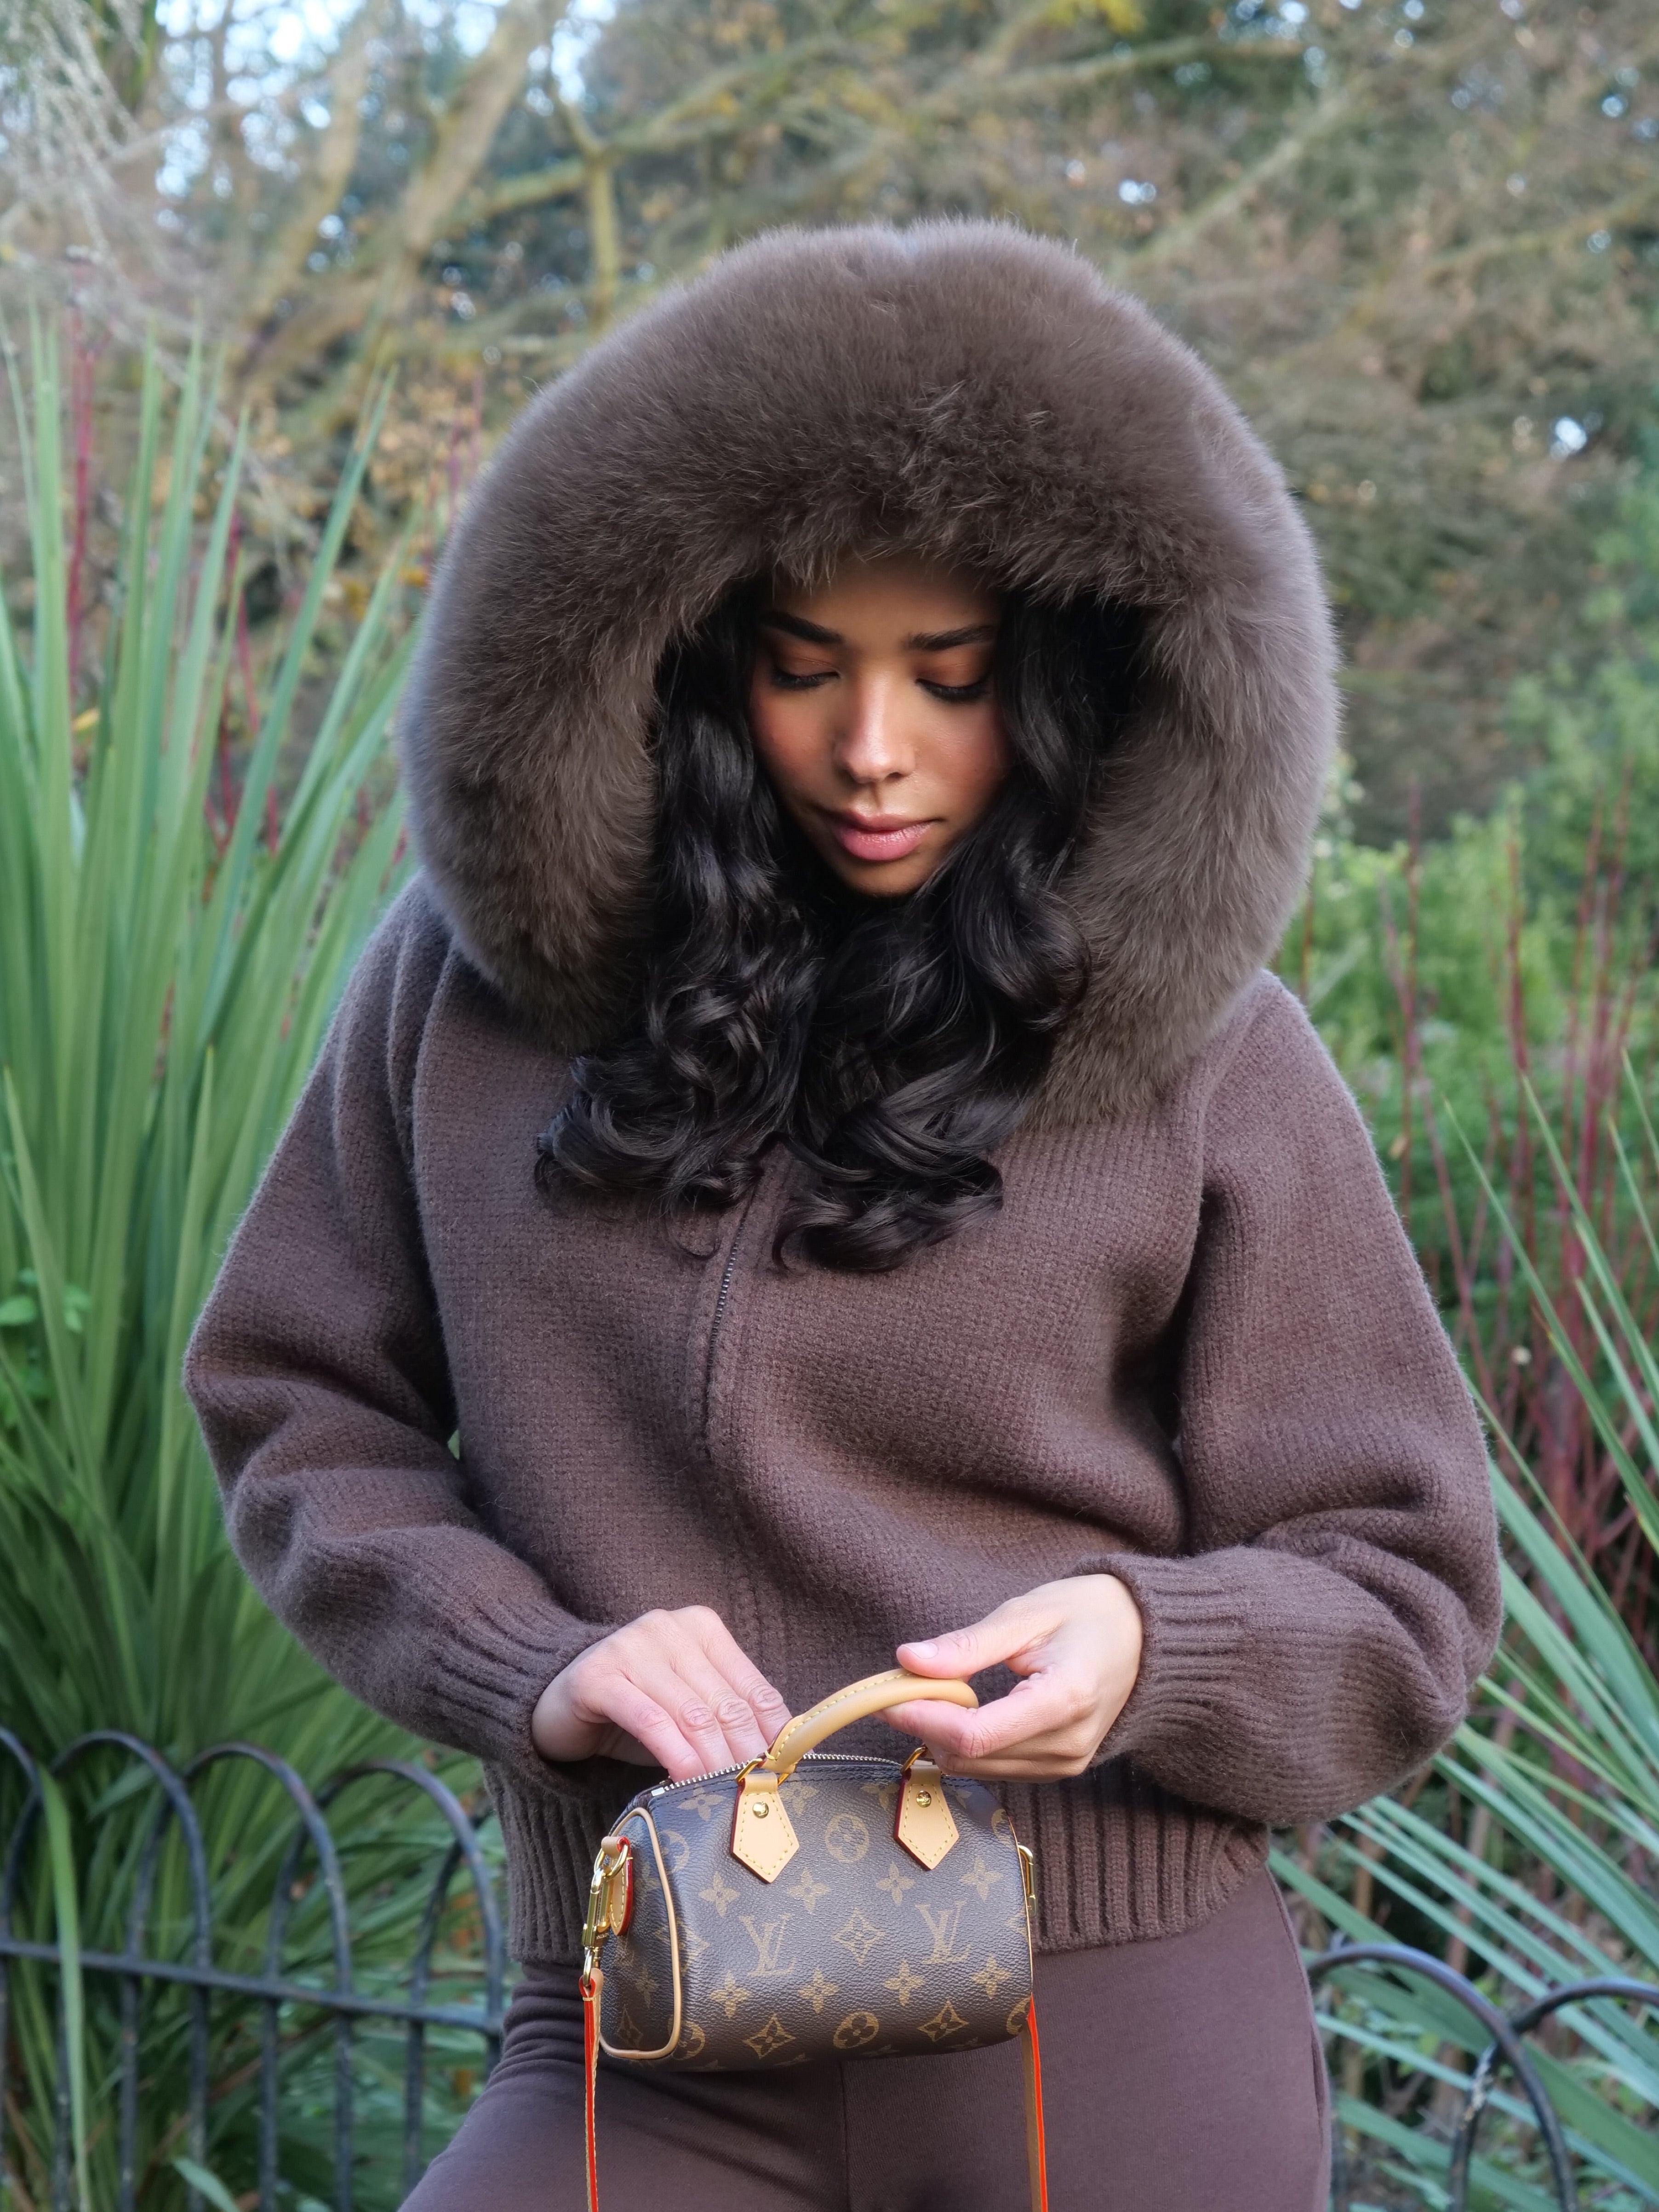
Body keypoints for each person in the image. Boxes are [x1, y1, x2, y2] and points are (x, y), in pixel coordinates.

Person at [184, 221, 1501, 2211]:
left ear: (1057, 685)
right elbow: (296, 1410)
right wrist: (527, 1657)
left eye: (945, 680)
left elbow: (1403, 1581)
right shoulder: (458, 1003)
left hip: (1107, 2023)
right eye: (806, 669)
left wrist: (1152, 1646)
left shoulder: (1213, 1056)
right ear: (702, 664)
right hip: (653, 2012)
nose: (873, 749)